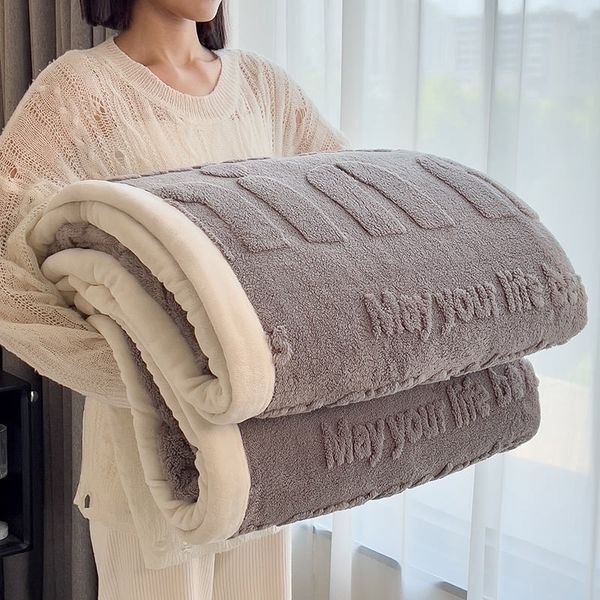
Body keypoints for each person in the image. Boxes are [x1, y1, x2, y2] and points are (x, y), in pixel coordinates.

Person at [0, 0, 351, 598]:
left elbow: (345, 220)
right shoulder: (78, 92)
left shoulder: (263, 88)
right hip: (145, 460)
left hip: (265, 441)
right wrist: (136, 371)